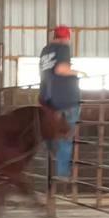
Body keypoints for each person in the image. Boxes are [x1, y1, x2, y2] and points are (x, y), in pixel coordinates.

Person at [39, 25, 86, 179]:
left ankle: (52, 155)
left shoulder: (45, 50)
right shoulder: (63, 48)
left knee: (52, 130)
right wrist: (79, 72)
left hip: (48, 97)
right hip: (66, 98)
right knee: (66, 134)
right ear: (66, 37)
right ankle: (62, 172)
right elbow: (61, 69)